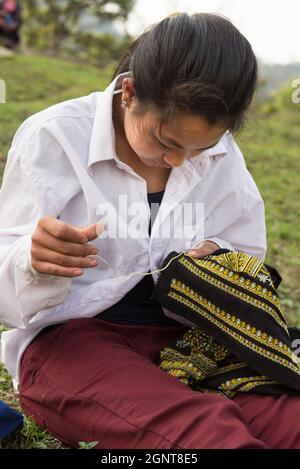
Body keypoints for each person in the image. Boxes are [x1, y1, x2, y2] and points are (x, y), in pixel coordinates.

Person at [0, 12, 300, 449]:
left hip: (192, 343)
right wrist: (32, 260)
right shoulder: (56, 137)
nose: (181, 160)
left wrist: (218, 257)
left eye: (202, 147)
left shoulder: (224, 156)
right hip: (73, 342)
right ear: (130, 92)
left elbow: (246, 250)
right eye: (167, 141)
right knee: (206, 435)